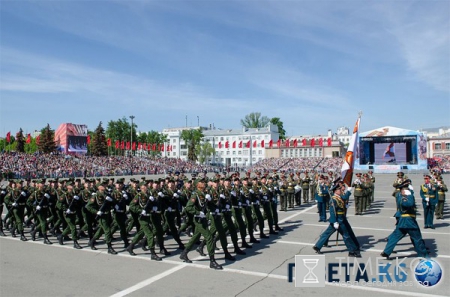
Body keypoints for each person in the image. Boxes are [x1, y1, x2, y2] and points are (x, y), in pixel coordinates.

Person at [381, 180, 428, 259]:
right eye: (407, 188)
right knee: (417, 238)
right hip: (409, 221)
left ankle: (386, 251)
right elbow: (409, 204)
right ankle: (423, 256)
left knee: (395, 236)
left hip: (403, 221)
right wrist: (409, 195)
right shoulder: (404, 196)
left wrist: (410, 193)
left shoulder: (399, 195)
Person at [313, 181, 361, 257]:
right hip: (338, 220)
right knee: (346, 235)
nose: (341, 190)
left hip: (342, 218)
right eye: (339, 190)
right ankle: (352, 251)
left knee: (327, 233)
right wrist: (335, 222)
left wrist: (345, 204)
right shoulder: (334, 199)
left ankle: (317, 246)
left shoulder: (339, 197)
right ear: (335, 191)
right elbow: (333, 212)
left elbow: (344, 198)